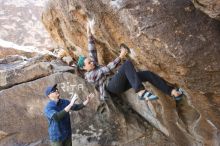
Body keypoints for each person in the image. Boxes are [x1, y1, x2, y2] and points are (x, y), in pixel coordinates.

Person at [77, 24, 183, 101]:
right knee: (127, 64)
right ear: (84, 68)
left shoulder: (91, 65)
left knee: (147, 74)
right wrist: (120, 56)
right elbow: (107, 69)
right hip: (112, 87)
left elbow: (92, 51)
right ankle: (141, 92)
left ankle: (172, 92)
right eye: (88, 63)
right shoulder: (90, 76)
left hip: (117, 82)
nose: (91, 62)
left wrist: (89, 35)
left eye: (90, 61)